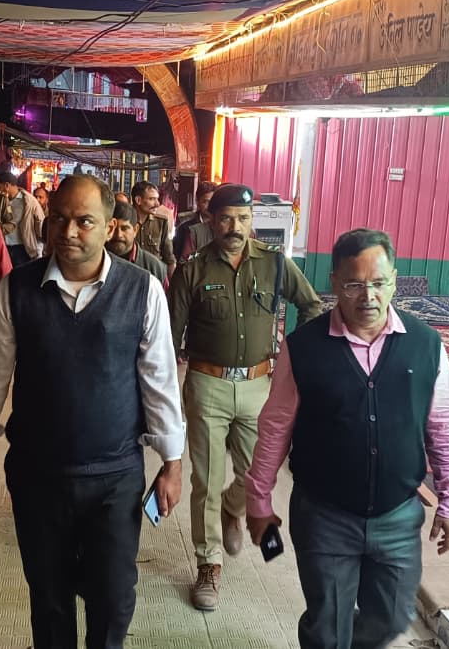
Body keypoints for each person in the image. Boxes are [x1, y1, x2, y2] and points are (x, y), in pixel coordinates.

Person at [0, 174, 185, 649]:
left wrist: (172, 462)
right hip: (38, 476)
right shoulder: (17, 289)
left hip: (115, 476)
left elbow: (160, 381)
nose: (68, 231)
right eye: (58, 218)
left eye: (84, 221)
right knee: (50, 598)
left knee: (113, 597)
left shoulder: (141, 290)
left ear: (110, 227)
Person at [245, 228, 449, 648]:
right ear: (334, 283)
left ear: (395, 281)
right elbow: (275, 427)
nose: (368, 296)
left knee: (391, 619)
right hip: (324, 516)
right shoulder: (303, 347)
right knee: (329, 628)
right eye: (354, 285)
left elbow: (445, 426)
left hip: (397, 515)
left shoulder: (425, 345)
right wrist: (258, 499)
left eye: (379, 283)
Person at [167, 183, 323, 611]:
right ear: (211, 221)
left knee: (259, 473)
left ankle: (232, 510)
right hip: (207, 385)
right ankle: (209, 564)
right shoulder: (193, 270)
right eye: (226, 219)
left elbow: (311, 306)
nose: (234, 227)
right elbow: (167, 337)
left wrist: (293, 359)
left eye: (243, 219)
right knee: (206, 480)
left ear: (252, 221)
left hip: (259, 387)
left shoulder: (274, 264)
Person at [0, 169, 45, 268]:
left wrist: (38, 248)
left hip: (22, 249)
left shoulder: (29, 201)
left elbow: (40, 225)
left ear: (7, 185)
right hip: (3, 247)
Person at [107, 202, 167, 287]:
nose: (118, 235)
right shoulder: (94, 262)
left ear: (135, 230)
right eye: (113, 228)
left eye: (124, 228)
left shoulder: (155, 267)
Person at [131, 180, 176, 276]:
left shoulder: (161, 223)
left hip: (154, 278)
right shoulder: (126, 222)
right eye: (152, 199)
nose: (157, 204)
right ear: (138, 200)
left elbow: (169, 259)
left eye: (157, 199)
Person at [174, 180, 217, 262]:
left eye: (212, 202)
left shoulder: (221, 226)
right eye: (205, 202)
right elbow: (178, 256)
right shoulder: (185, 228)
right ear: (197, 201)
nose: (209, 206)